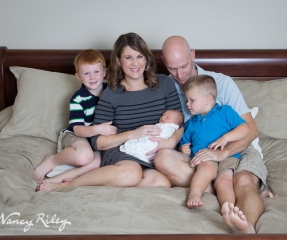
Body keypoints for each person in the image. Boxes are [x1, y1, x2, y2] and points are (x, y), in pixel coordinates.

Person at [153, 35, 274, 234]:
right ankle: (222, 190)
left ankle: (246, 229)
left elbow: (250, 129)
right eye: (172, 68)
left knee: (243, 182)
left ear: (193, 55)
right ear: (164, 63)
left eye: (183, 66)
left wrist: (224, 152)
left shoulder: (221, 83)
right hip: (200, 155)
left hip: (237, 149)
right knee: (163, 158)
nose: (180, 74)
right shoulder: (165, 87)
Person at [36, 32, 182, 192]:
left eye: (139, 56)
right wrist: (131, 135)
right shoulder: (111, 94)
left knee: (161, 182)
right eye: (128, 57)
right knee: (130, 174)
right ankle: (68, 184)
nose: (135, 63)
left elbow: (180, 123)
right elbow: (97, 142)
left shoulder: (165, 84)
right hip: (121, 151)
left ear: (146, 59)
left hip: (151, 153)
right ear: (118, 61)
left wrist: (171, 142)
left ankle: (108, 179)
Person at [34, 49, 117, 185]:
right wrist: (98, 129)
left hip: (95, 139)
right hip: (76, 135)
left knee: (96, 164)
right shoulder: (78, 99)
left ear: (104, 72)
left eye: (96, 71)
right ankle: (53, 160)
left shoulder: (112, 92)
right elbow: (78, 129)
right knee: (84, 157)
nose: (92, 77)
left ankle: (59, 181)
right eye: (86, 73)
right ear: (78, 77)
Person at [179, 74, 249, 212]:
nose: (187, 104)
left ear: (207, 99)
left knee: (224, 181)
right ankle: (195, 194)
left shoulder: (225, 111)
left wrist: (226, 138)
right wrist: (183, 149)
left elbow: (245, 128)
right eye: (187, 100)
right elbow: (183, 142)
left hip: (228, 156)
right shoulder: (191, 124)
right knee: (205, 169)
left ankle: (228, 208)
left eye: (191, 100)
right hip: (204, 157)